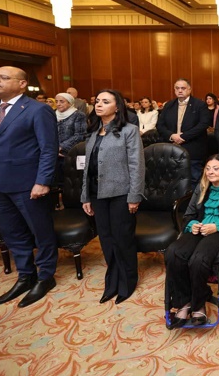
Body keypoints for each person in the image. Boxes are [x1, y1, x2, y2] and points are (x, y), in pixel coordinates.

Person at [0, 67, 59, 308]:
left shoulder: (37, 110)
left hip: (28, 184)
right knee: (12, 233)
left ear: (22, 84)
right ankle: (25, 275)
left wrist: (43, 181)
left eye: (4, 77)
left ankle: (46, 276)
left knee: (40, 231)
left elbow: (48, 148)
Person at [164, 154, 219, 328]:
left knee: (199, 258)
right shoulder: (202, 187)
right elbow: (189, 214)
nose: (210, 172)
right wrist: (193, 224)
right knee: (173, 252)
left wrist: (216, 226)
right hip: (200, 228)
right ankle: (184, 302)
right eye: (208, 168)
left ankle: (198, 305)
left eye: (216, 168)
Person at [81, 89, 145, 305]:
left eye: (105, 101)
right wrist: (85, 196)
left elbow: (137, 166)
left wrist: (134, 196)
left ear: (117, 107)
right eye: (97, 101)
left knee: (122, 239)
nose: (99, 104)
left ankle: (127, 282)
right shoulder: (93, 131)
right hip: (97, 193)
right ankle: (113, 282)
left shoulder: (129, 130)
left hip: (121, 194)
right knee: (106, 240)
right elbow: (88, 168)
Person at [157, 78, 211, 186]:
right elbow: (160, 125)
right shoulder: (169, 105)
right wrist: (172, 135)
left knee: (193, 180)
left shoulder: (199, 105)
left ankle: (194, 198)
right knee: (173, 180)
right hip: (172, 149)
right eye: (177, 88)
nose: (180, 90)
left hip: (193, 149)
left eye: (183, 88)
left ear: (189, 89)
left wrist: (183, 136)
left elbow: (203, 124)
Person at [54, 92, 87, 186]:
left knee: (69, 182)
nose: (58, 104)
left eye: (62, 101)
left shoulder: (78, 115)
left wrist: (61, 147)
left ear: (70, 103)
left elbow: (80, 135)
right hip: (53, 153)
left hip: (70, 153)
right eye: (56, 101)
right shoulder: (52, 114)